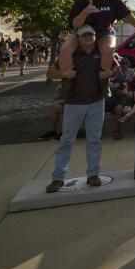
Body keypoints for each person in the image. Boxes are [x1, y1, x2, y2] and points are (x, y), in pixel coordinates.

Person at [46, 24, 111, 192]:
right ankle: (58, 178)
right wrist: (64, 74)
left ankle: (93, 174)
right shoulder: (70, 54)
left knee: (94, 140)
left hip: (97, 101)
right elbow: (50, 73)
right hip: (74, 102)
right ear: (78, 38)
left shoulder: (101, 52)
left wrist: (110, 73)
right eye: (84, 35)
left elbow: (115, 67)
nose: (88, 38)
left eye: (91, 34)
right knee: (67, 140)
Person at [60, 0, 135, 86]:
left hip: (105, 32)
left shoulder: (113, 0)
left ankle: (103, 82)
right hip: (83, 33)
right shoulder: (81, 1)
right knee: (65, 49)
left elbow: (127, 15)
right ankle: (67, 82)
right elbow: (74, 24)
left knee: (108, 50)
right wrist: (85, 13)